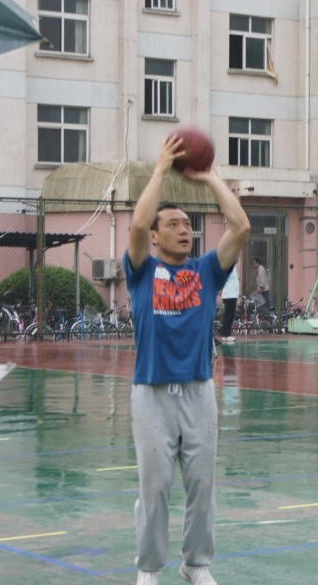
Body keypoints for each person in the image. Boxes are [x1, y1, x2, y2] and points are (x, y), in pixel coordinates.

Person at [124, 135, 250, 585]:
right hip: (152, 393)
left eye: (187, 224)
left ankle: (196, 563)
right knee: (154, 487)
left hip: (198, 391)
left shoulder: (206, 271)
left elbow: (240, 228)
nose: (184, 230)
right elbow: (137, 226)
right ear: (156, 237)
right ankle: (149, 569)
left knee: (201, 484)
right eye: (173, 224)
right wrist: (160, 169)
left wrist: (211, 177)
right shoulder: (142, 270)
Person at [219, 263, 239, 344]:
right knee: (229, 315)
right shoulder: (228, 267)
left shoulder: (233, 267)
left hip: (232, 294)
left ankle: (225, 334)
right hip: (229, 295)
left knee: (229, 315)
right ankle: (226, 334)